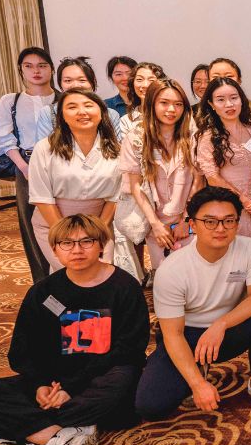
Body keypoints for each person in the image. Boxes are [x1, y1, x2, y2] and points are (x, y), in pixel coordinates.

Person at [0, 214, 148, 445]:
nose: (77, 250)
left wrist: (70, 389)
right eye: (67, 243)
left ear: (101, 244)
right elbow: (23, 350)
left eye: (86, 242)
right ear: (54, 249)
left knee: (123, 394)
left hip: (102, 377)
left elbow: (128, 349)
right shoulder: (44, 291)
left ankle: (9, 429)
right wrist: (40, 386)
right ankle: (57, 436)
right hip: (55, 383)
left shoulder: (124, 286)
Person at [135, 186, 251, 418]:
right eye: (210, 221)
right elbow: (173, 334)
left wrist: (220, 324)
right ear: (193, 224)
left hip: (227, 331)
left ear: (237, 223)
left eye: (229, 221)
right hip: (187, 336)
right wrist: (198, 385)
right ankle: (195, 370)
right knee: (150, 407)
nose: (220, 228)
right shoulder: (172, 269)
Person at [0, 47, 56, 281]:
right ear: (21, 70)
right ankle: (42, 282)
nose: (36, 71)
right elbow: (1, 137)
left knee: (61, 219)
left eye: (42, 65)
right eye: (29, 66)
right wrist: (23, 167)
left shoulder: (64, 99)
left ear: (51, 69)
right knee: (31, 224)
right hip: (26, 164)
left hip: (61, 164)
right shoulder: (10, 101)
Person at [29, 89, 122, 272]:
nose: (82, 111)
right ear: (62, 116)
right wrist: (67, 237)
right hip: (53, 224)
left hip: (99, 225)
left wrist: (97, 233)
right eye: (72, 107)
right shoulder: (45, 148)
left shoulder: (116, 149)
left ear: (102, 113)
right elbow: (42, 197)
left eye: (88, 105)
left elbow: (116, 196)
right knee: (68, 273)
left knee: (101, 272)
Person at [119, 79, 196, 274]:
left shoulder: (191, 135)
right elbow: (135, 186)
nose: (171, 109)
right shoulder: (136, 137)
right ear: (152, 103)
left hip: (187, 219)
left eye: (178, 104)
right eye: (164, 103)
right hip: (155, 221)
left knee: (193, 274)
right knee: (164, 275)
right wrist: (156, 225)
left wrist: (185, 221)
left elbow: (198, 181)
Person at [195, 78, 251, 254]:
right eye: (221, 100)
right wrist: (243, 200)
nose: (229, 104)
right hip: (228, 205)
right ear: (211, 104)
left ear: (241, 99)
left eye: (234, 97)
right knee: (233, 257)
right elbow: (212, 177)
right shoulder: (208, 137)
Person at [113, 62, 167, 281]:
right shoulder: (127, 120)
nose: (145, 85)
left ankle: (159, 272)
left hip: (164, 181)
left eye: (151, 80)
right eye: (139, 79)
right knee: (135, 230)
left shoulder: (172, 113)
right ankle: (137, 274)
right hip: (136, 182)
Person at [36, 57, 122, 138]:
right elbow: (43, 151)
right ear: (60, 85)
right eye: (68, 81)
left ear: (93, 83)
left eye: (82, 80)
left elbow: (116, 149)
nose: (75, 85)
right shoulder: (48, 113)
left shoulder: (110, 115)